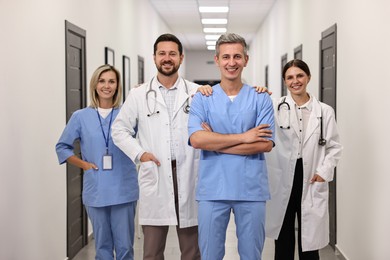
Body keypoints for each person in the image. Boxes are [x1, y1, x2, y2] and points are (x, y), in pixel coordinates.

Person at [111, 33, 207, 260]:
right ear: (154, 57)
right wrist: (140, 153)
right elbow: (119, 130)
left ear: (181, 57)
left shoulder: (197, 92)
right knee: (152, 252)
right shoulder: (138, 94)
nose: (167, 58)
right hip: (155, 172)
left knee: (192, 250)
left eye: (172, 53)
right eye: (162, 53)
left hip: (189, 173)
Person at [188, 33, 275, 260]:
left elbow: (265, 144)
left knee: (251, 254)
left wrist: (215, 142)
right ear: (217, 60)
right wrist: (246, 137)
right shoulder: (202, 98)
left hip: (250, 189)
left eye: (237, 56)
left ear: (246, 60)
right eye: (226, 57)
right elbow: (197, 140)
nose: (231, 62)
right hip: (212, 190)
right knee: (210, 254)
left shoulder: (261, 98)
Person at [55, 65, 139, 260]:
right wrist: (83, 164)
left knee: (125, 246)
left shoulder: (128, 114)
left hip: (123, 189)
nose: (106, 86)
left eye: (111, 81)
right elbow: (62, 147)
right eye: (102, 81)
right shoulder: (80, 117)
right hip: (96, 189)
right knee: (102, 246)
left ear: (118, 85)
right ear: (95, 84)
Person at [265, 59, 343, 260]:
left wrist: (323, 173)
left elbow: (334, 146)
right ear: (284, 81)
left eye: (300, 75)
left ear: (308, 77)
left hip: (311, 175)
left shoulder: (324, 111)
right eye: (290, 77)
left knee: (309, 241)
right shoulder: (275, 107)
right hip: (284, 175)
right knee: (283, 236)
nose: (295, 81)